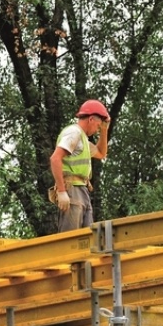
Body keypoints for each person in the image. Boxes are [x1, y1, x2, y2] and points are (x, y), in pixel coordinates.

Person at [50, 99, 111, 232]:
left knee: (87, 238)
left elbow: (101, 153)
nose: (97, 129)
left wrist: (104, 130)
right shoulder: (74, 133)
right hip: (72, 190)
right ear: (90, 120)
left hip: (82, 191)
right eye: (98, 125)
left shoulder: (82, 139)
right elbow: (55, 158)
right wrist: (61, 191)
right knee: (71, 240)